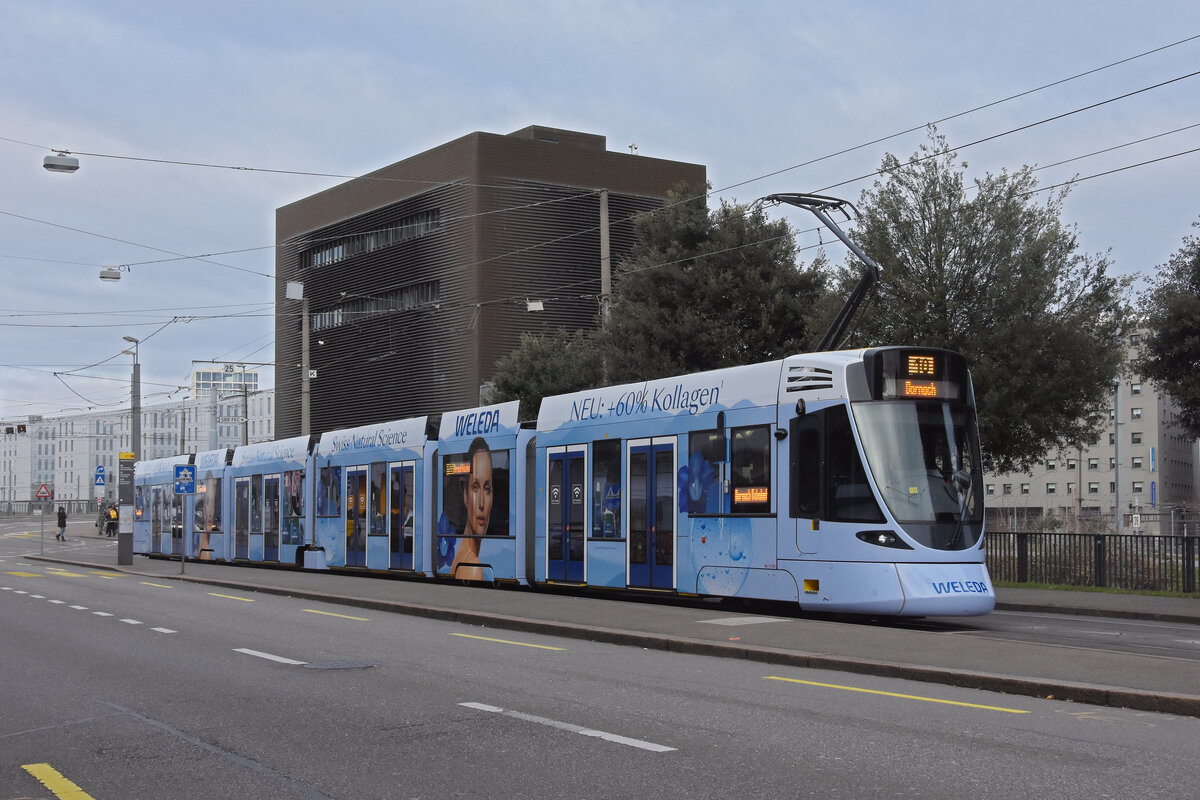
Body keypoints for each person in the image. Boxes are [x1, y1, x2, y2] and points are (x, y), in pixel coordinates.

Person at [449, 437, 492, 581]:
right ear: (465, 492)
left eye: (487, 489)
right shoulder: (472, 568)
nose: (481, 503)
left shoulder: (463, 555)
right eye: (475, 487)